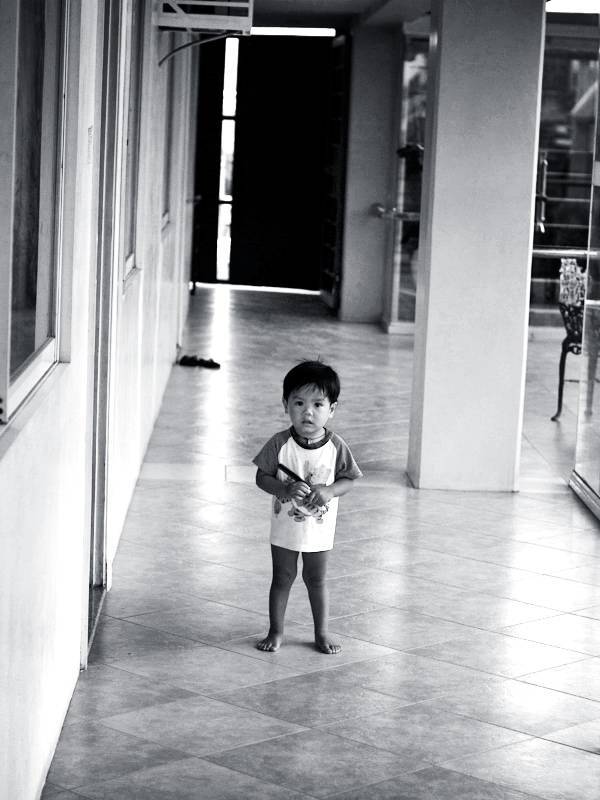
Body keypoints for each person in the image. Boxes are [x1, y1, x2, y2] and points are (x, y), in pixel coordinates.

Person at [252, 360, 362, 654]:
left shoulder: (336, 446)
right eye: (299, 402)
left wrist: (329, 490)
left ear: (332, 409)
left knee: (316, 578)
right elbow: (261, 477)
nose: (307, 411)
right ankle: (276, 631)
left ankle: (321, 633)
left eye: (317, 404)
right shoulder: (280, 444)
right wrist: (283, 488)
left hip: (320, 529)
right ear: (286, 404)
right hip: (285, 527)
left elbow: (349, 480)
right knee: (283, 577)